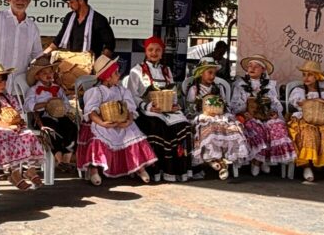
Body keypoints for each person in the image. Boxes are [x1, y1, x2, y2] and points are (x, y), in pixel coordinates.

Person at [77, 56, 157, 185]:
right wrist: (102, 122)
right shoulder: (96, 92)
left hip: (121, 121)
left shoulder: (122, 90)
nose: (119, 75)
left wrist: (129, 121)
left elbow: (130, 108)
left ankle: (139, 167)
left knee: (133, 133)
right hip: (103, 122)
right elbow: (91, 112)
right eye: (116, 73)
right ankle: (94, 170)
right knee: (98, 138)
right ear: (107, 77)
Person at [127, 36, 193, 182]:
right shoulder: (136, 71)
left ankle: (177, 170)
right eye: (151, 50)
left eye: (158, 50)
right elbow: (131, 95)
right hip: (147, 110)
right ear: (145, 51)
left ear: (162, 52)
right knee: (157, 125)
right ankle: (156, 170)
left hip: (167, 109)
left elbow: (172, 91)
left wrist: (174, 104)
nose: (154, 53)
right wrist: (148, 106)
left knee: (184, 125)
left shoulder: (166, 70)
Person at [0, 64, 46, 190]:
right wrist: (7, 126)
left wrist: (19, 123)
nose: (3, 84)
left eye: (4, 80)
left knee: (28, 134)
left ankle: (30, 170)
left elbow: (16, 112)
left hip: (10, 125)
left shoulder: (7, 97)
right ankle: (15, 173)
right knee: (8, 135)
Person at [185, 61, 254, 180]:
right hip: (202, 115)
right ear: (201, 73)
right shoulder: (194, 89)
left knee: (231, 127)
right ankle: (214, 159)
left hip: (219, 115)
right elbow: (190, 108)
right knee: (209, 128)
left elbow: (224, 104)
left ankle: (227, 157)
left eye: (214, 73)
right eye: (209, 73)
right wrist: (204, 112)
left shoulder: (218, 88)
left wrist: (220, 111)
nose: (212, 76)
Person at [230, 55, 296, 176]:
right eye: (250, 65)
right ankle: (258, 161)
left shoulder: (269, 85)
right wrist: (244, 108)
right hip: (248, 117)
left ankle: (261, 160)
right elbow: (234, 106)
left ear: (263, 70)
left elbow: (275, 103)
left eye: (256, 66)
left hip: (265, 117)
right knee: (255, 127)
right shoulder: (240, 85)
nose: (252, 68)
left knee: (277, 126)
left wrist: (275, 113)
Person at [24, 57, 78, 173]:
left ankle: (66, 160)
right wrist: (45, 104)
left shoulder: (57, 89)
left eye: (50, 72)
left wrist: (60, 105)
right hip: (42, 116)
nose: (49, 75)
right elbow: (28, 106)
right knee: (51, 130)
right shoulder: (34, 90)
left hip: (59, 114)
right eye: (44, 73)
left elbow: (66, 104)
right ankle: (59, 159)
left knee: (71, 128)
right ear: (37, 76)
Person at [42, 0, 116, 59]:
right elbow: (58, 39)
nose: (69, 6)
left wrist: (100, 62)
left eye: (72, 2)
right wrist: (44, 54)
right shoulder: (69, 17)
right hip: (72, 63)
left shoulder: (99, 19)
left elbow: (110, 44)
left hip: (91, 64)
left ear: (81, 1)